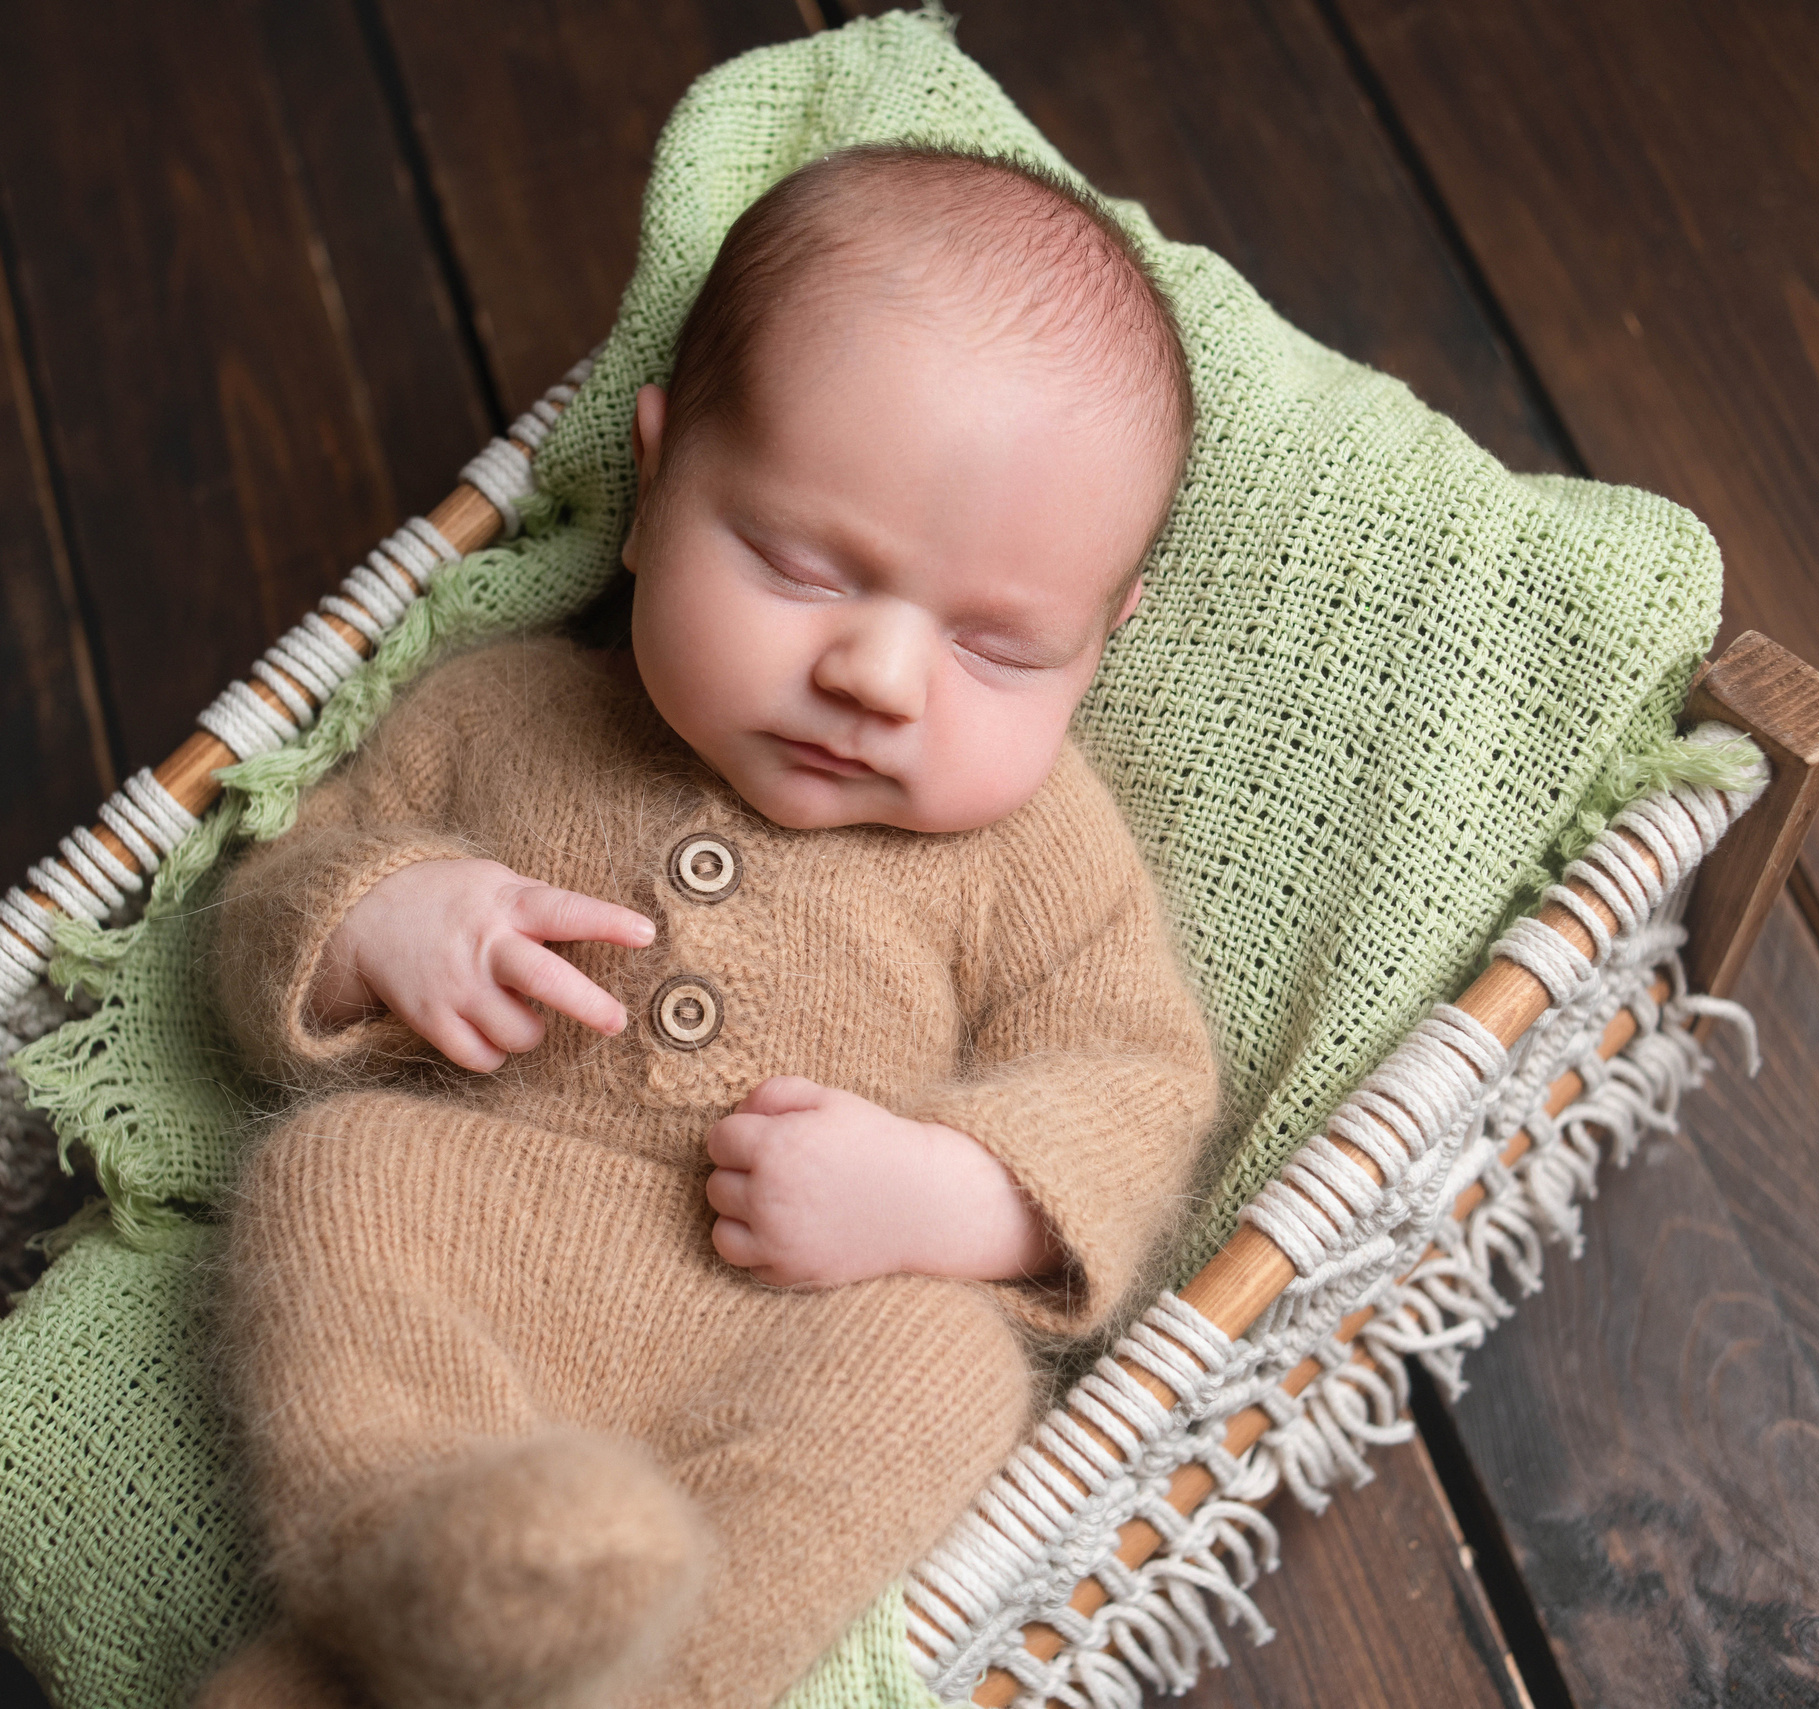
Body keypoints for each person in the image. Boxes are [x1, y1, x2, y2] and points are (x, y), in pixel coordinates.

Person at [198, 144, 1219, 1709]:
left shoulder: (1035, 847)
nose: (879, 678)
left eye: (1001, 648)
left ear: (1105, 636)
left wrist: (947, 1194)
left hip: (795, 1317)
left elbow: (1135, 1074)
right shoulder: (504, 713)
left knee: (943, 1368)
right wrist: (382, 920)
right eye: (801, 566)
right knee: (334, 1176)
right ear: (655, 480)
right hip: (483, 1236)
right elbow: (272, 898)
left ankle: (656, 1684)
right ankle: (414, 1586)